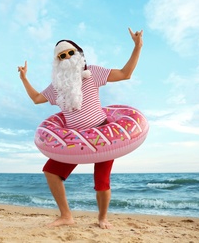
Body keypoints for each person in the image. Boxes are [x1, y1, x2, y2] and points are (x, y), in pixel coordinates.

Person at [18, 28, 143, 229]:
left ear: (78, 55)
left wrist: (137, 47)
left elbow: (125, 74)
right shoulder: (57, 85)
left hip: (102, 136)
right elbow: (36, 99)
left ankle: (103, 218)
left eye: (70, 53)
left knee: (102, 182)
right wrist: (24, 78)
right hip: (75, 140)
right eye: (62, 55)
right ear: (57, 61)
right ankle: (66, 216)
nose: (67, 57)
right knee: (50, 171)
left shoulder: (92, 73)